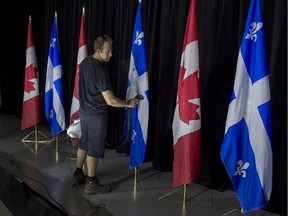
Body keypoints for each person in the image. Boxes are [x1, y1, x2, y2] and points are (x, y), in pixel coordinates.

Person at [72, 34, 138, 195]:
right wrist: (127, 103)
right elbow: (110, 100)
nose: (111, 54)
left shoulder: (85, 62)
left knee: (84, 143)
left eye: (111, 51)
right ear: (98, 50)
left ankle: (78, 173)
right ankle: (91, 183)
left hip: (85, 112)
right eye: (108, 52)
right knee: (94, 148)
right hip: (96, 115)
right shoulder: (100, 70)